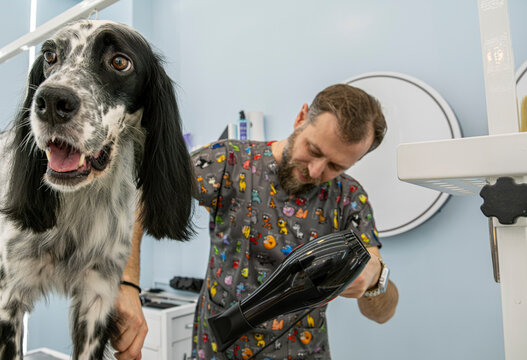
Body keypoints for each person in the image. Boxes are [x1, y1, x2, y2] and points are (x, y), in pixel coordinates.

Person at [112, 84, 399, 360]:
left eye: (336, 166)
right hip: (217, 349)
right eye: (313, 149)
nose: (315, 170)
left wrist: (375, 276)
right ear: (301, 117)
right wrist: (126, 286)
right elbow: (142, 196)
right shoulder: (230, 161)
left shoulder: (348, 196)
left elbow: (383, 313)